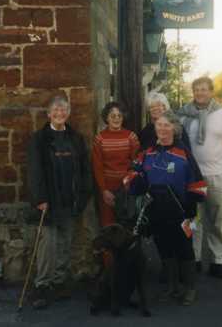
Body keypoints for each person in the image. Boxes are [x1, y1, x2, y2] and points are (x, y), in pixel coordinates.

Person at [125, 111, 207, 306]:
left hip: (183, 213)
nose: (162, 128)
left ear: (175, 128)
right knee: (164, 248)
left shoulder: (184, 153)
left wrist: (190, 209)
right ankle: (172, 288)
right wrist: (135, 181)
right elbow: (132, 175)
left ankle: (190, 289)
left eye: (167, 125)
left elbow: (199, 184)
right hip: (156, 212)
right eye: (159, 125)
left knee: (185, 250)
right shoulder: (147, 153)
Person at [27, 96, 91, 309]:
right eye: (55, 110)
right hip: (49, 201)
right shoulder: (39, 139)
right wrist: (40, 198)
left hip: (70, 201)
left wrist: (83, 197)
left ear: (68, 113)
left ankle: (59, 281)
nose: (59, 113)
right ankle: (42, 285)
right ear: (48, 113)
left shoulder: (76, 138)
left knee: (65, 243)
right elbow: (34, 171)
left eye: (63, 109)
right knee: (48, 245)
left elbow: (84, 170)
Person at [178, 76, 222, 279]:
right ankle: (194, 258)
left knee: (216, 220)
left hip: (217, 175)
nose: (200, 93)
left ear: (211, 92)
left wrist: (213, 155)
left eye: (204, 89)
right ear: (193, 92)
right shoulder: (185, 115)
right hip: (194, 177)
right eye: (196, 90)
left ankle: (217, 260)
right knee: (195, 219)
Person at [92, 102, 140, 227]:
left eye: (119, 116)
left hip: (127, 189)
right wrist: (104, 190)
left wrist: (129, 184)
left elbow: (137, 163)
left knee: (127, 224)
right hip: (107, 189)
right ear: (106, 118)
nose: (116, 119)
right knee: (108, 225)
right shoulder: (100, 139)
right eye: (112, 116)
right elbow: (97, 166)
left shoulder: (131, 137)